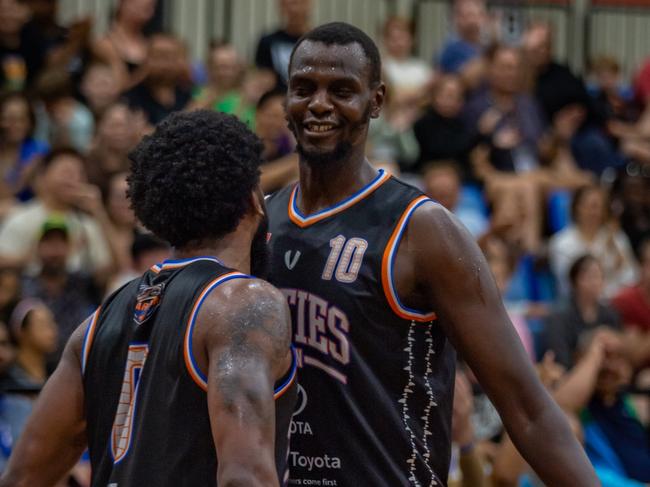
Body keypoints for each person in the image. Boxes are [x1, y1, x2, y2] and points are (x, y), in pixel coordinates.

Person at [267, 22, 597, 486]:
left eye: (342, 90)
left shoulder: (422, 229)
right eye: (304, 88)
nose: (319, 103)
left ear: (376, 101)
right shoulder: (261, 223)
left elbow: (526, 406)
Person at [0, 110, 297, 486]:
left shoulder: (95, 324)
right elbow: (245, 478)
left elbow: (22, 478)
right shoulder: (243, 304)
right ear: (253, 200)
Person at [545, 254, 621, 370]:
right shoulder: (559, 316)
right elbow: (560, 359)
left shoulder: (610, 314)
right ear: (574, 281)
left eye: (598, 276)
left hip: (605, 375)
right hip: (572, 375)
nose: (594, 282)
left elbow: (619, 351)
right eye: (589, 277)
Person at [255, 0, 312, 91]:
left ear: (309, 4)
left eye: (297, 3)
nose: (293, 9)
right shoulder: (268, 41)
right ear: (280, 7)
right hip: (278, 99)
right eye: (287, 4)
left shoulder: (318, 41)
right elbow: (264, 79)